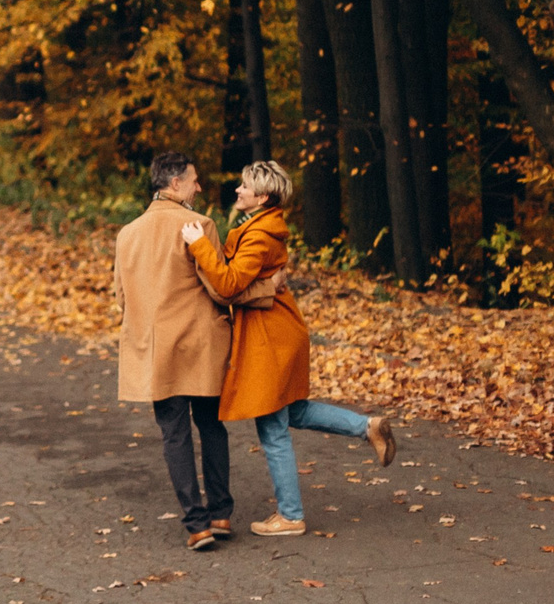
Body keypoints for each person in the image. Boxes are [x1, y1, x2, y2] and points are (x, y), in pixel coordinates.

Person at [183, 158, 395, 537]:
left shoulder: (260, 235)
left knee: (272, 427)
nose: (238, 190)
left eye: (245, 186)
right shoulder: (259, 226)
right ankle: (367, 427)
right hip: (276, 329)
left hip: (269, 335)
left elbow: (228, 284)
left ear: (263, 197)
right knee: (292, 411)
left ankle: (291, 515)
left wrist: (199, 245)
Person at [114, 152, 282, 552]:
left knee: (174, 435)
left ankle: (196, 525)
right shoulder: (199, 226)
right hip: (200, 344)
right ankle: (221, 513)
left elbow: (122, 296)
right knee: (211, 426)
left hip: (156, 350)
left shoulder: (127, 234)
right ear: (175, 184)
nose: (199, 187)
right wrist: (269, 288)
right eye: (194, 180)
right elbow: (221, 289)